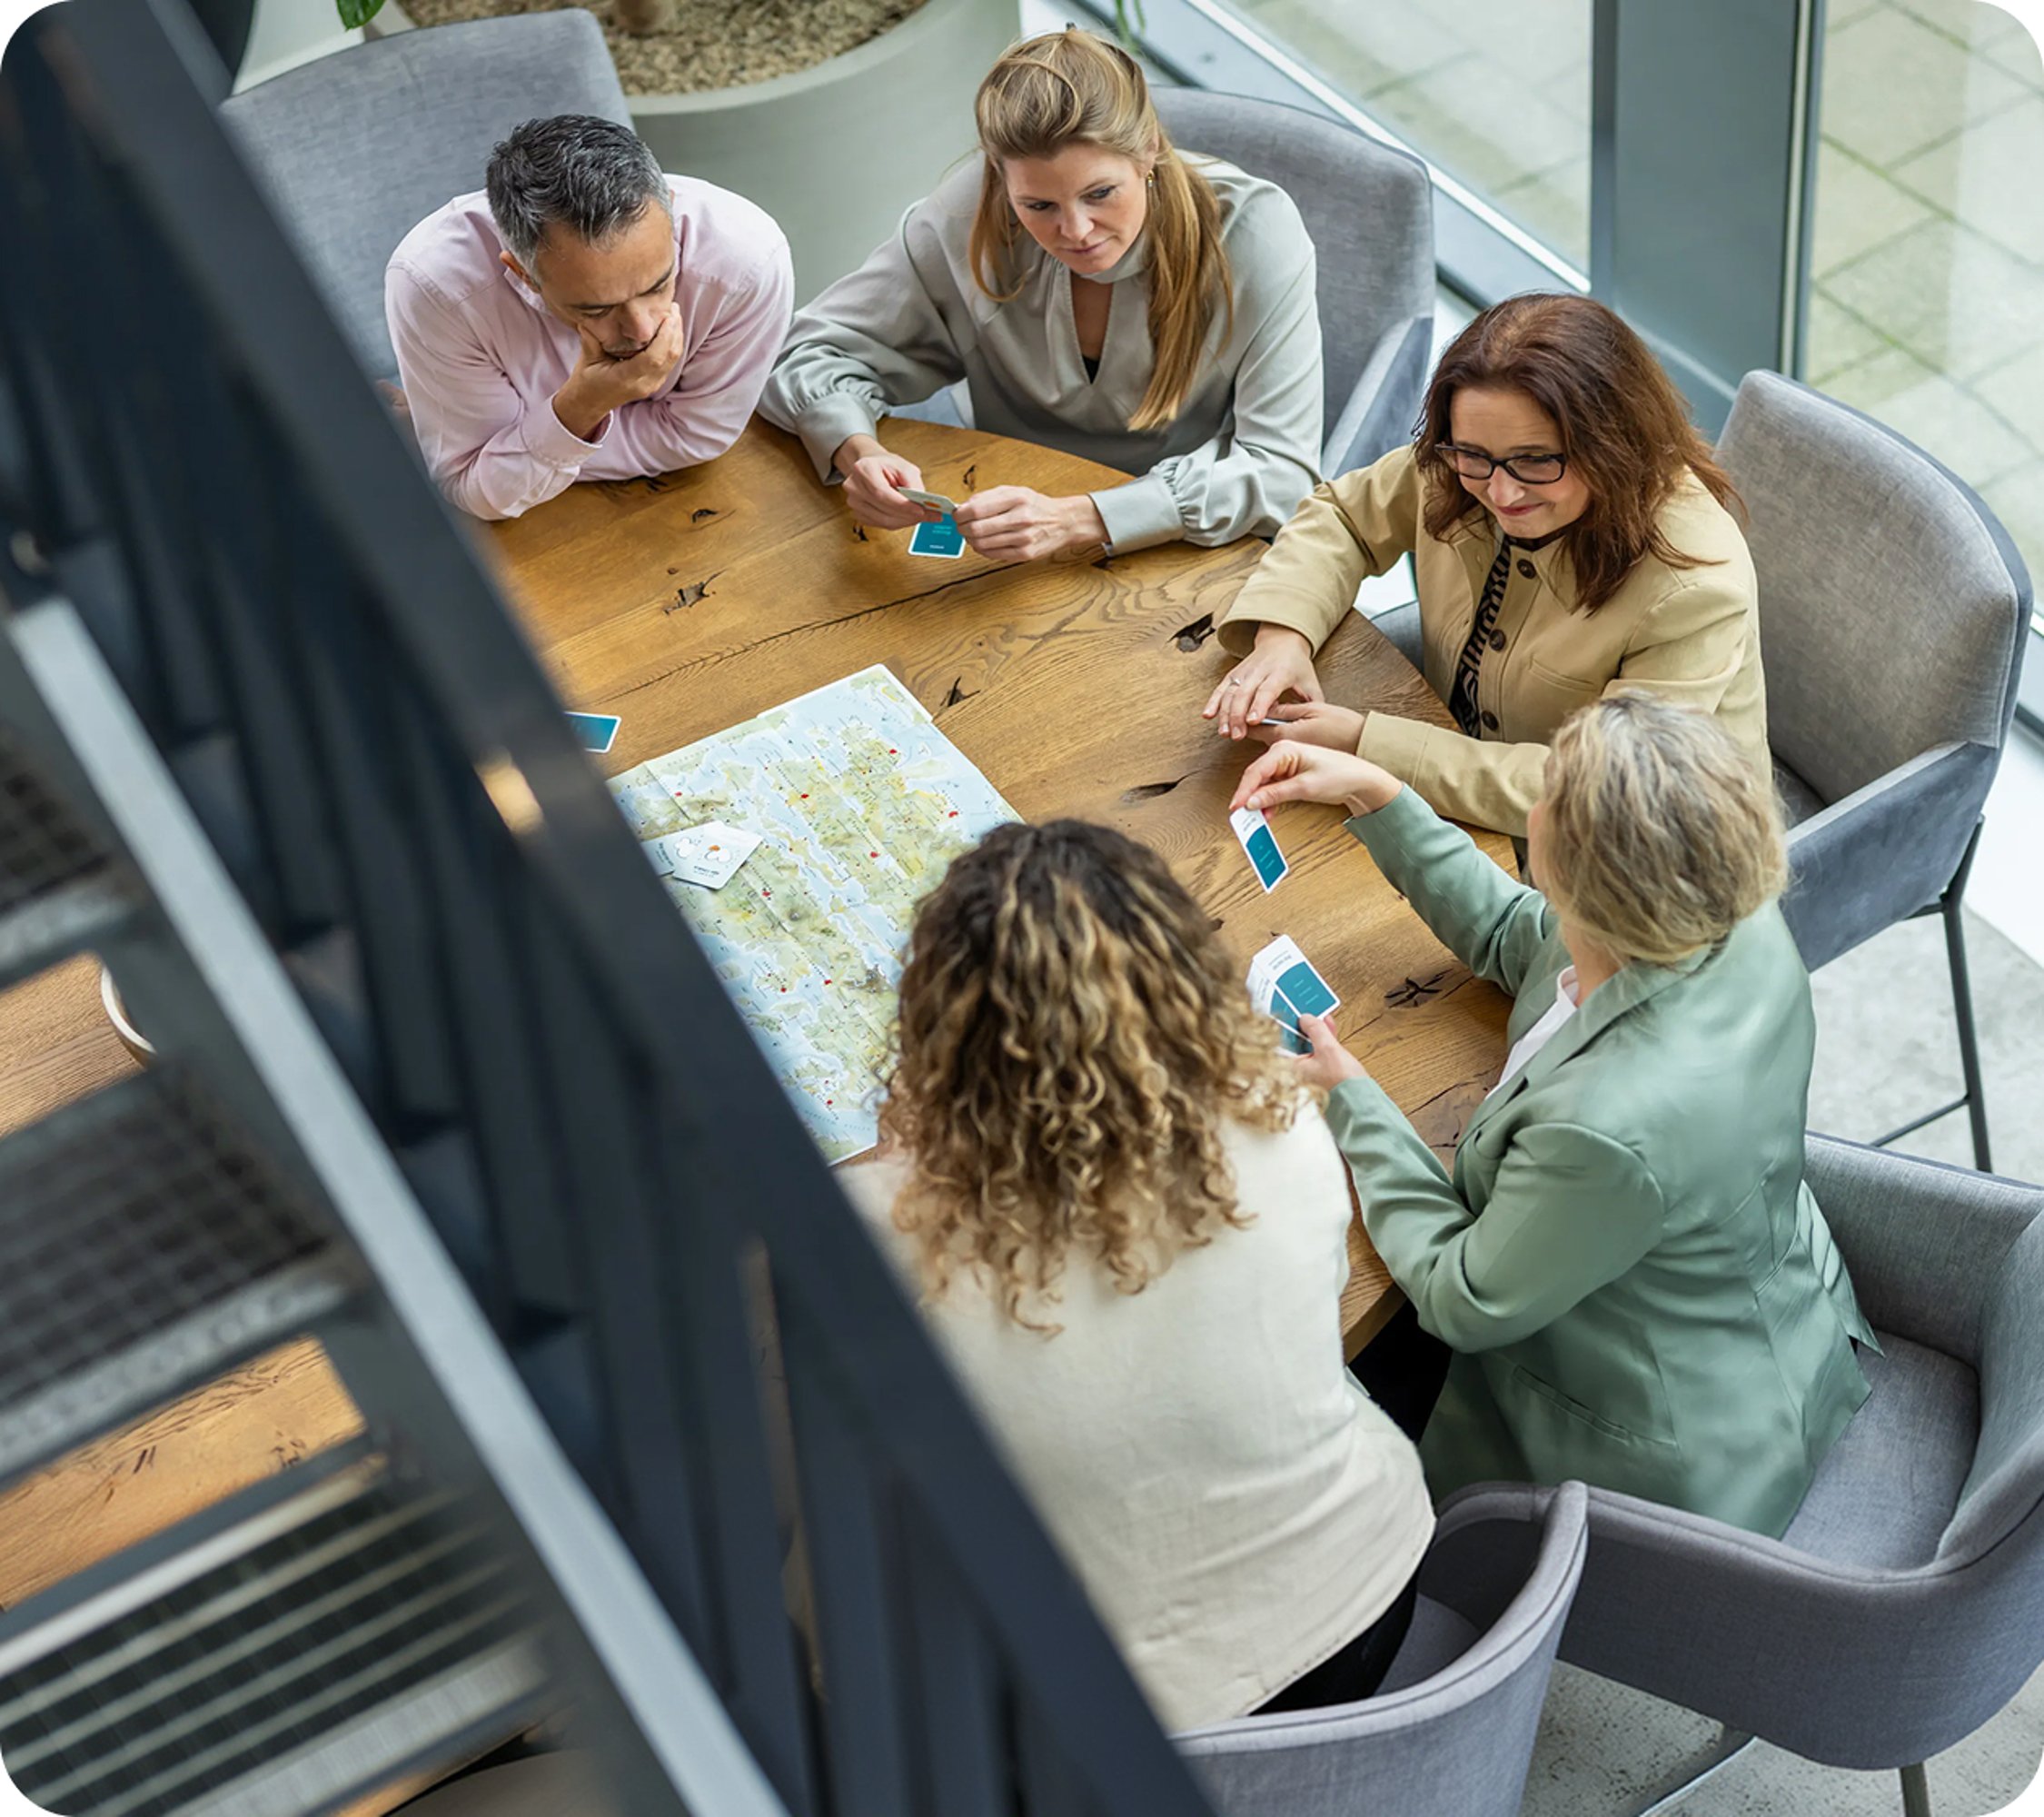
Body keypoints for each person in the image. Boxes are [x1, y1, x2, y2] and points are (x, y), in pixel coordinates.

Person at [1230, 694, 1873, 1537]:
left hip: (1654, 1439)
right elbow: (1521, 935)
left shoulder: (1606, 1129)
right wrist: (1379, 797)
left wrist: (1347, 1094)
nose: (1531, 798)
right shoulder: (1730, 919)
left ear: (1580, 873)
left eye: (1549, 793)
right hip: (1755, 1312)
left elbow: (1461, 1295)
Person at [840, 819, 1432, 1730]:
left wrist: (894, 1169)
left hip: (1142, 1725)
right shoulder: (1282, 1122)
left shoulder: (880, 1231)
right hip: (1369, 1604)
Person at [1205, 293, 1768, 839]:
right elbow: (1345, 517)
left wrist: (1366, 743)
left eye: (1536, 460)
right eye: (1473, 454)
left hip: (1629, 860)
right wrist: (1283, 636)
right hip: (1454, 774)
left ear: (1613, 444)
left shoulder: (1694, 588)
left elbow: (1600, 790)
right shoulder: (1464, 462)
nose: (1499, 491)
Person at [759, 29, 1324, 562]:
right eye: (1038, 206)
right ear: (1000, 180)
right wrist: (858, 451)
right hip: (1000, 538)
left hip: (1188, 546)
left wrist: (1081, 518)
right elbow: (801, 354)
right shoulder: (966, 216)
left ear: (1149, 149)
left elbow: (1283, 474)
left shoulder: (1253, 233)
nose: (1076, 231)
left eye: (1100, 193)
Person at [386, 114, 793, 521]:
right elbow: (473, 488)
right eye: (596, 309)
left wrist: (527, 446)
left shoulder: (747, 264)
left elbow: (699, 437)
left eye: (658, 285)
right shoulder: (436, 288)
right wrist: (584, 404)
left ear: (668, 210)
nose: (643, 329)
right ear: (522, 274)